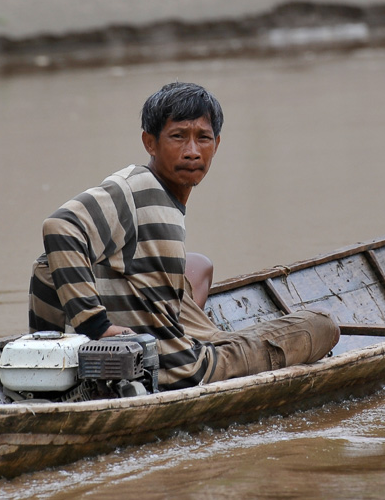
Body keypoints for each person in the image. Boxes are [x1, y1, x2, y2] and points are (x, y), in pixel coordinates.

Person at [29, 82, 339, 390]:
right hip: (183, 369)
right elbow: (60, 226)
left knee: (198, 265)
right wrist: (96, 327)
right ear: (150, 143)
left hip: (145, 330)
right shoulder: (137, 190)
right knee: (322, 324)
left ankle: (196, 333)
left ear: (216, 144)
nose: (192, 152)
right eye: (178, 137)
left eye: (202, 138)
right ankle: (201, 345)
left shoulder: (156, 193)